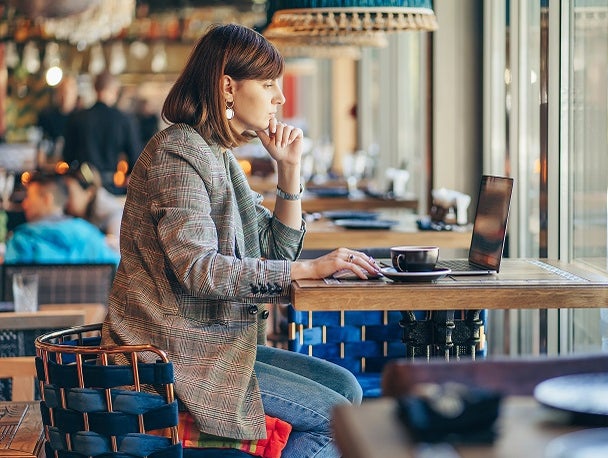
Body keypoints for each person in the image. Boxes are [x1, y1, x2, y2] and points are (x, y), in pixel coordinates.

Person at [100, 24, 381, 458]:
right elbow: (200, 270)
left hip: (213, 345)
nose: (280, 97)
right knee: (336, 415)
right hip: (173, 355)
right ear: (227, 88)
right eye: (268, 84)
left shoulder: (218, 155)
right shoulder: (179, 153)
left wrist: (290, 172)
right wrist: (307, 271)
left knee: (345, 386)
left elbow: (276, 252)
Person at [4, 172, 120, 265]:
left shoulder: (22, 240)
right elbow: (117, 269)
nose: (24, 204)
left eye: (29, 197)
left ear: (47, 200)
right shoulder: (88, 235)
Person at [63, 71, 141, 194]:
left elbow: (67, 157)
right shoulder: (124, 119)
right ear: (115, 90)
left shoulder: (78, 118)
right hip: (113, 187)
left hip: (84, 188)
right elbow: (136, 159)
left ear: (94, 88)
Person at [64, 162, 124, 250]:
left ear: (89, 192)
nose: (64, 198)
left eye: (69, 193)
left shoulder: (111, 213)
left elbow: (118, 250)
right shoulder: (69, 212)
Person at [36, 75, 78, 163]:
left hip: (72, 168)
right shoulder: (46, 116)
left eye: (68, 92)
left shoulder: (81, 118)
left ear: (75, 94)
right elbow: (42, 145)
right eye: (62, 92)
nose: (65, 96)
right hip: (50, 166)